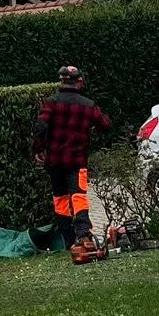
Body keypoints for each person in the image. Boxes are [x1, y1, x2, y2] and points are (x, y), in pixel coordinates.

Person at [34, 64, 113, 262]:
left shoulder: (51, 103)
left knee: (60, 199)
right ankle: (83, 235)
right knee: (78, 196)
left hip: (54, 160)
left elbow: (41, 125)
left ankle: (69, 240)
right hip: (77, 161)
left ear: (61, 81)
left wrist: (38, 148)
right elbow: (105, 125)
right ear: (79, 81)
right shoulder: (87, 105)